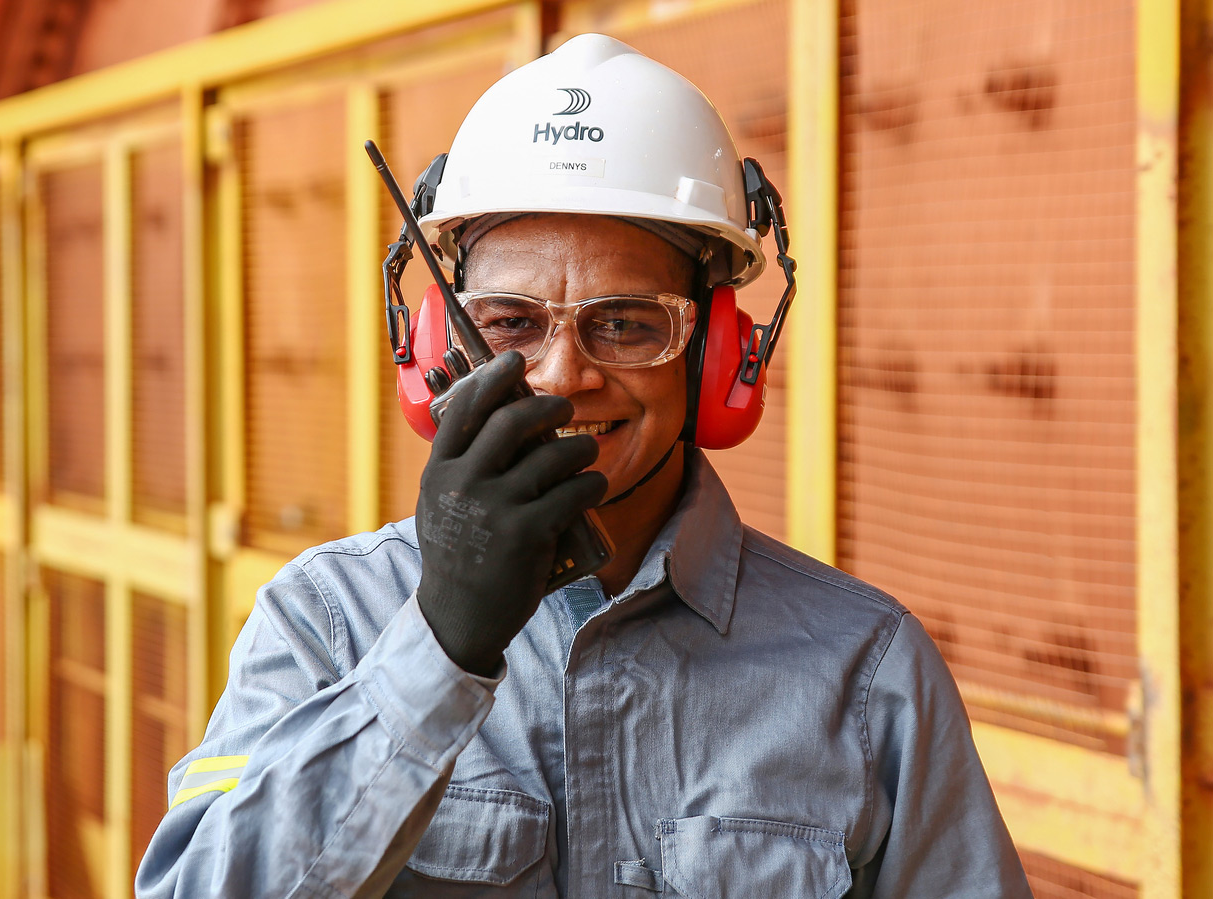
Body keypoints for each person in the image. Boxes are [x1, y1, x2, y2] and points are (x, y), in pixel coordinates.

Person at [136, 34, 1031, 898]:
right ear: (436, 350)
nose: (563, 373)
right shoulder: (327, 623)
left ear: (717, 356)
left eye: (628, 322)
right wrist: (438, 648)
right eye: (511, 323)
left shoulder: (866, 669)